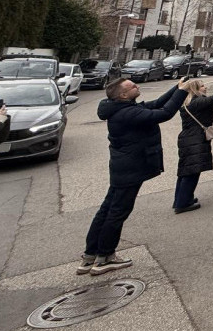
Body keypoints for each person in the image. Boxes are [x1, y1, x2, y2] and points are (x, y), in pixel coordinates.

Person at [80, 78, 191, 275]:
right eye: (132, 86)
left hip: (122, 168)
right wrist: (181, 93)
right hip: (130, 168)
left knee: (107, 209)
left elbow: (157, 103)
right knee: (117, 212)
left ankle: (91, 254)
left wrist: (177, 87)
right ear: (123, 95)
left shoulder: (121, 108)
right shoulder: (127, 113)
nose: (136, 87)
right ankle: (104, 257)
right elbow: (164, 113)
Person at [173, 71, 213, 213]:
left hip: (188, 138)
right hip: (195, 139)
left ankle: (181, 199)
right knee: (192, 172)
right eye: (202, 86)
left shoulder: (186, 103)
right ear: (195, 90)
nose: (205, 88)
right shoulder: (197, 102)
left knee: (186, 171)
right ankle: (183, 203)